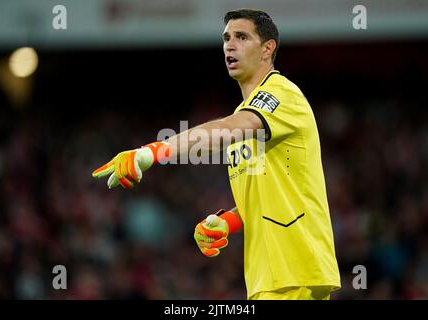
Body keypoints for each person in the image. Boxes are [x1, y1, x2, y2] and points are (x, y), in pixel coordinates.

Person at [92, 8, 341, 300]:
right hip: (269, 276)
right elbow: (263, 201)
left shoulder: (281, 94)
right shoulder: (245, 119)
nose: (230, 45)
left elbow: (230, 127)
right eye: (226, 38)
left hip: (296, 269)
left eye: (242, 37)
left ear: (267, 49)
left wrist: (153, 151)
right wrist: (228, 222)